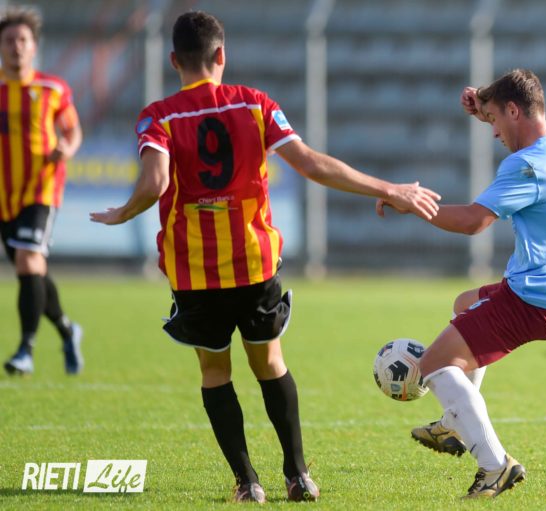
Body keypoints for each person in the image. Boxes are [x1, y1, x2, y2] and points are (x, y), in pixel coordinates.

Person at [90, 11, 440, 504]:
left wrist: (125, 212)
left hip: (195, 272)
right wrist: (390, 189)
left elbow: (156, 182)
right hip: (253, 263)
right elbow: (311, 164)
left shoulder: (159, 116)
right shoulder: (255, 104)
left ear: (173, 60)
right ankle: (297, 475)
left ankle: (247, 482)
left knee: (215, 373)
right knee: (270, 363)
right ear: (221, 55)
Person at [377, 69, 546, 499]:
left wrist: (412, 204)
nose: (493, 132)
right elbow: (516, 122)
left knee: (433, 365)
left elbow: (474, 221)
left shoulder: (527, 165)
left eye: (494, 120)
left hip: (536, 300)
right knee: (464, 304)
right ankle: (456, 423)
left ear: (514, 111)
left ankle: (495, 466)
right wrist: (487, 108)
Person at [0, 8, 84, 376]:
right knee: (32, 268)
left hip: (42, 187)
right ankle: (67, 330)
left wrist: (67, 147)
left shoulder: (52, 88)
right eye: (9, 40)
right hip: (4, 195)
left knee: (27, 260)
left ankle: (26, 349)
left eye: (22, 40)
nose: (16, 46)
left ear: (34, 46)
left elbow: (73, 130)